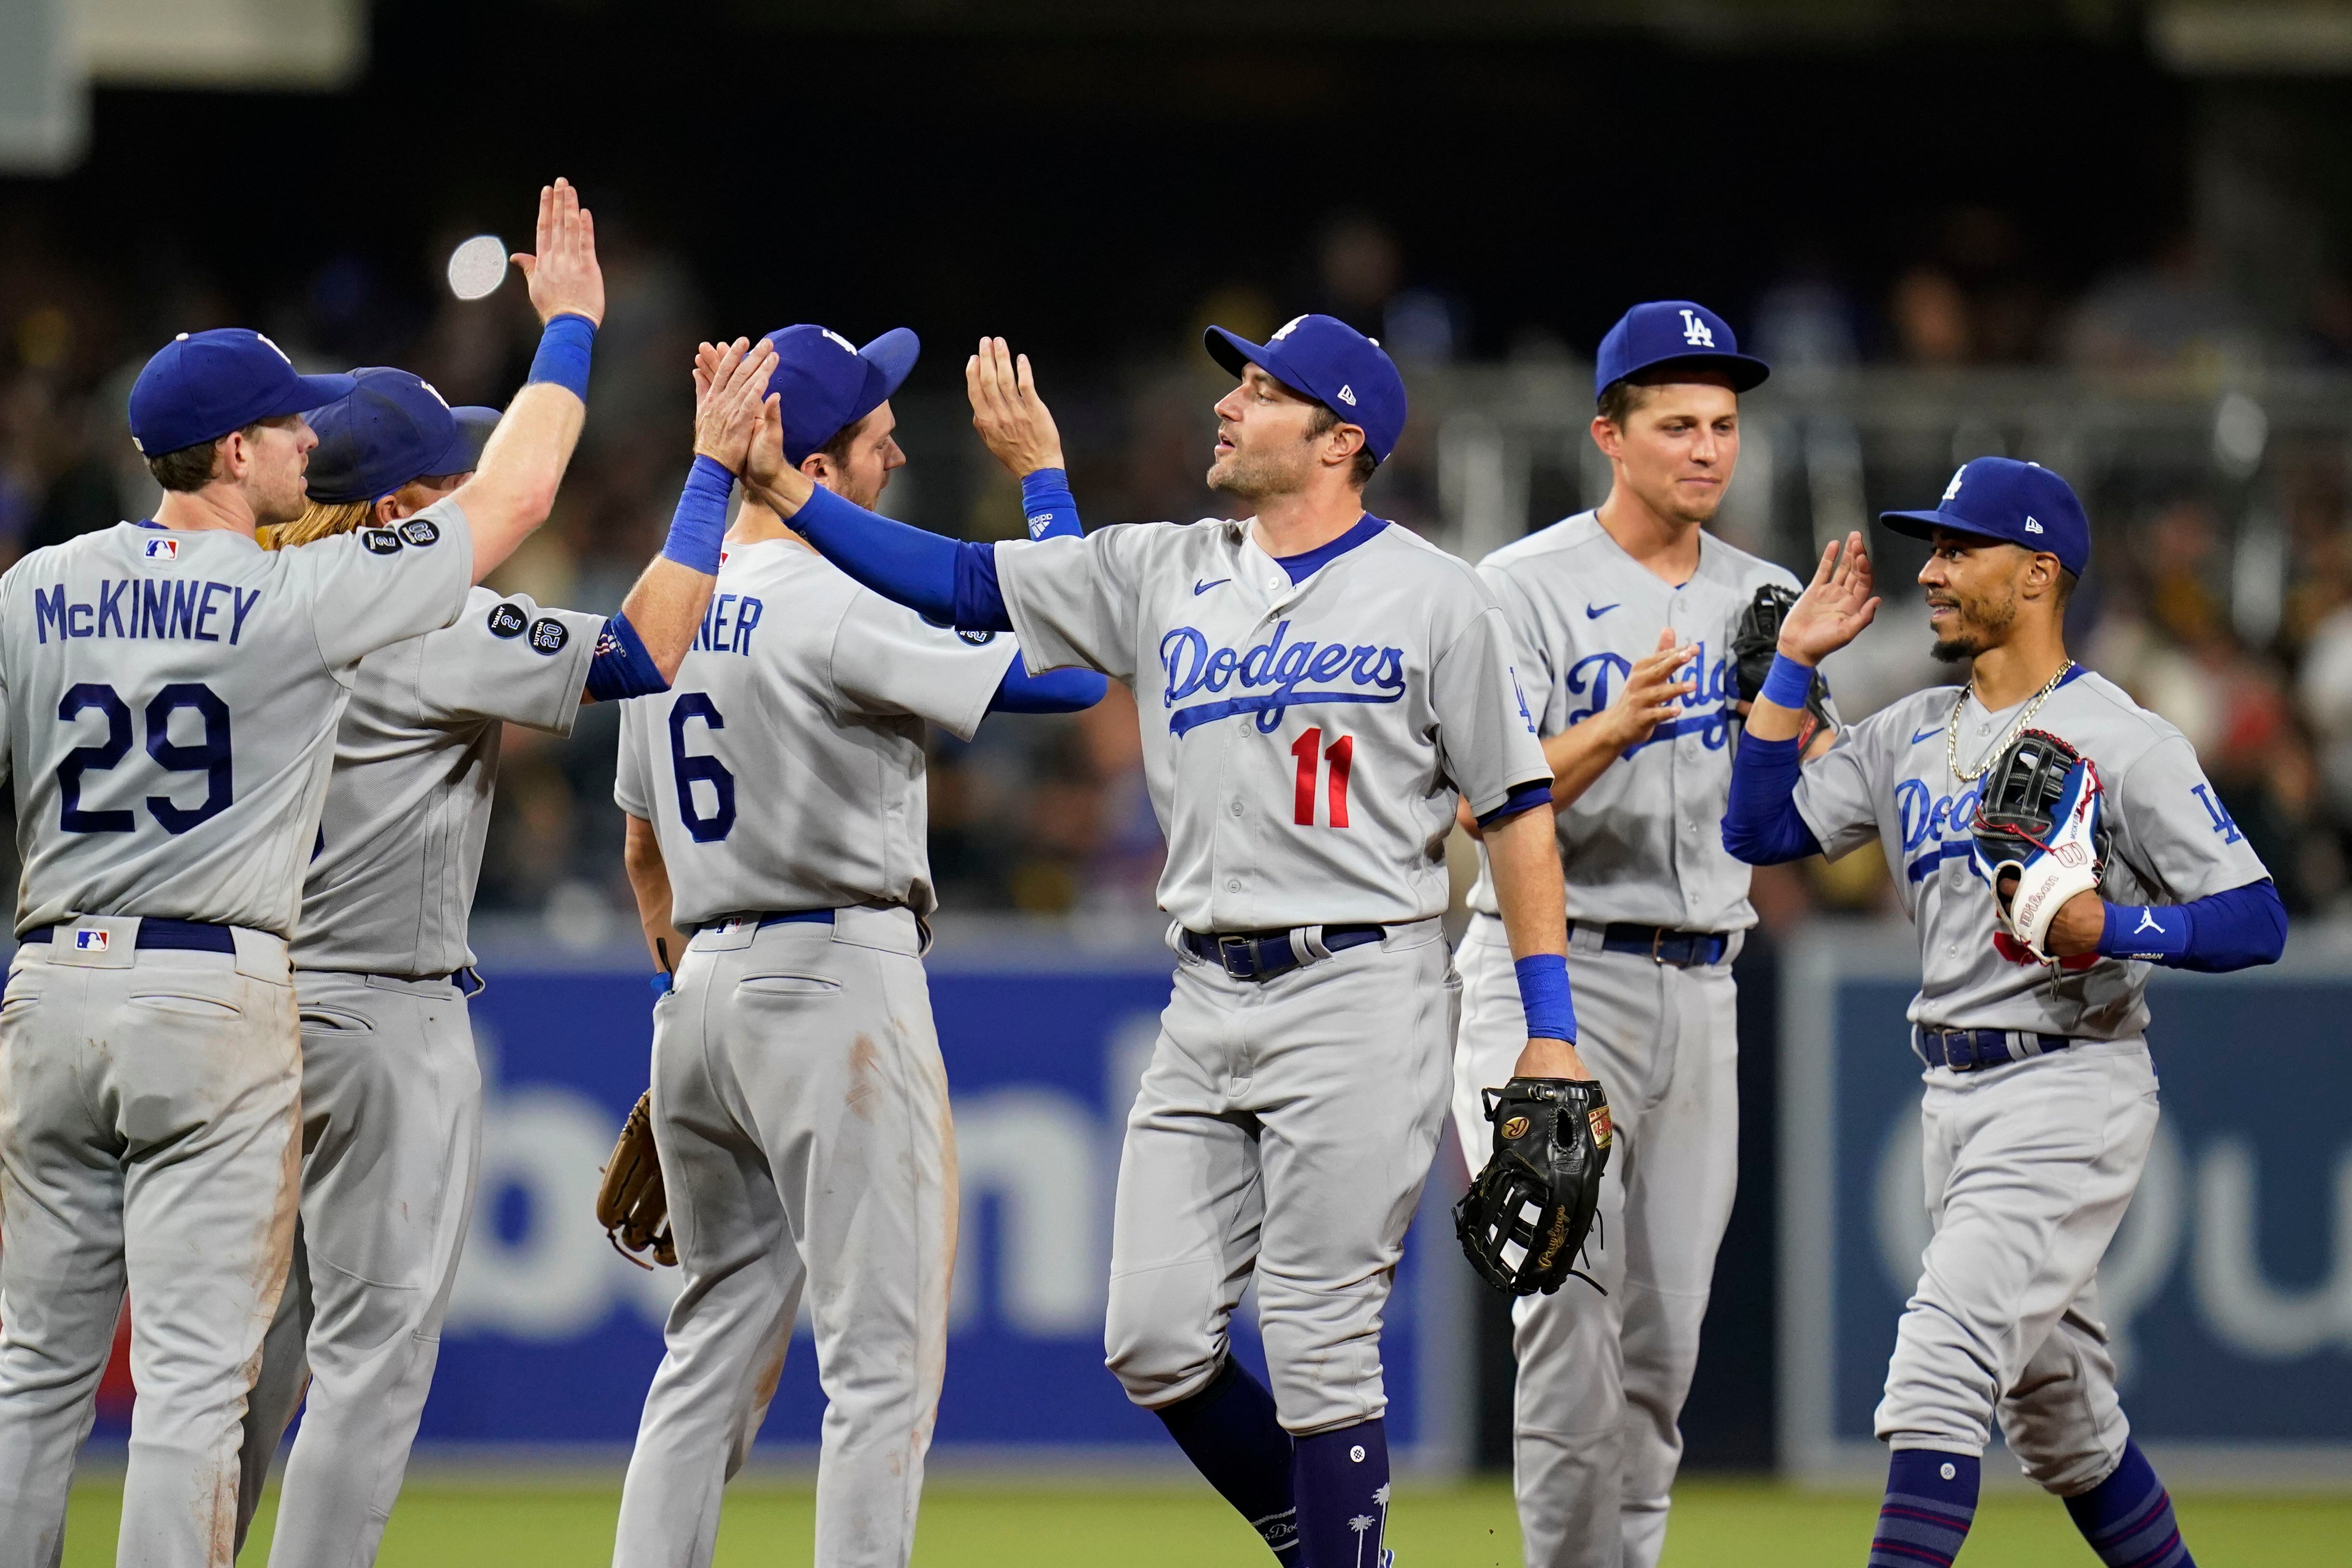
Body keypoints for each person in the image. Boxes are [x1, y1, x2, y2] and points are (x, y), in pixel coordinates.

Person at [734, 312, 1587, 1568]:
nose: (1229, 405)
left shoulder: (1436, 596)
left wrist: (1550, 1034)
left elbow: (1516, 818)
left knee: (1316, 1338)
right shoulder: (1164, 566)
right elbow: (962, 583)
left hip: (1361, 980)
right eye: (1234, 382)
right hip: (1204, 992)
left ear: (1340, 438)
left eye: (1262, 390)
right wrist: (786, 502)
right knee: (1151, 1337)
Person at [0, 177, 602, 1568]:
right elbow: (515, 491)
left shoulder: (36, 586)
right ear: (225, 454)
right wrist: (566, 331)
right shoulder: (290, 603)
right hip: (211, 993)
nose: (296, 439)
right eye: (276, 423)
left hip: (49, 977)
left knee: (34, 1372)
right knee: (201, 1382)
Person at [230, 340, 775, 1563]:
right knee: (369, 1363)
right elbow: (642, 652)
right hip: (380, 1012)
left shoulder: (251, 604)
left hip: (244, 998)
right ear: (399, 510)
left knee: (243, 1361)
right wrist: (707, 479)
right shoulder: (419, 607)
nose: (474, 491)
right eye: (449, 477)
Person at [1722, 457, 2287, 1568]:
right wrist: (1791, 671)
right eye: (1930, 548)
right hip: (1952, 1094)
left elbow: (2255, 915)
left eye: (1956, 549)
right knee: (2063, 1421)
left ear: (2037, 573)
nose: (1929, 571)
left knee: (1938, 1368)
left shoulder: (2123, 737)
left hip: (2069, 1081)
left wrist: (2118, 930)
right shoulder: (1908, 731)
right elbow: (1760, 831)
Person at [610, 327, 1102, 1568]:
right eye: (875, 431)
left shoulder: (672, 603)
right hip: (832, 977)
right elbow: (1074, 672)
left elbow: (640, 851)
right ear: (815, 467)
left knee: (711, 1342)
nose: (895, 445)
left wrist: (699, 1001)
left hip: (703, 990)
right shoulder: (835, 601)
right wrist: (1044, 479)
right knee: (882, 1361)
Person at [1453, 300, 1817, 1568]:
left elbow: (1788, 816)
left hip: (1701, 981)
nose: (1706, 448)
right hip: (1554, 978)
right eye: (1676, 425)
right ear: (1610, 435)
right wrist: (1611, 729)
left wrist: (1796, 728)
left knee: (1661, 1347)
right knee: (1560, 1304)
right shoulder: (1521, 587)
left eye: (1721, 424)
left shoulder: (1764, 598)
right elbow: (1477, 799)